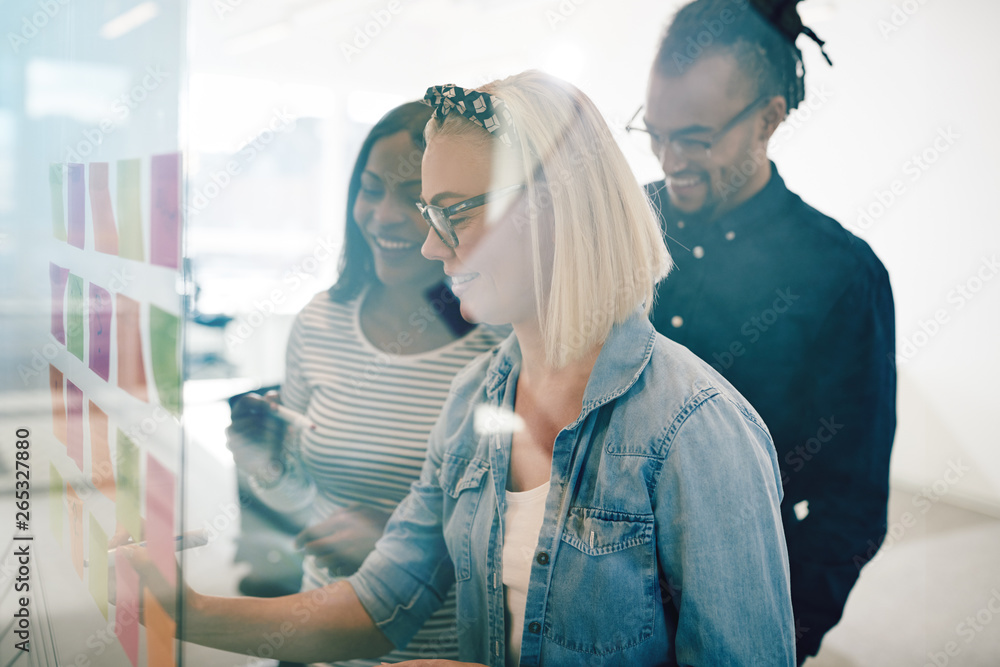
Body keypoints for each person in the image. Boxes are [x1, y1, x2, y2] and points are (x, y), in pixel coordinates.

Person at [127, 70, 795, 666]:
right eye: (429, 212)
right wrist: (186, 609)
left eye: (451, 212)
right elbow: (380, 603)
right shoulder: (474, 398)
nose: (426, 242)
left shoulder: (695, 429)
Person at [629, 1, 896, 662]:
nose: (670, 159)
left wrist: (778, 635)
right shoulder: (619, 224)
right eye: (656, 133)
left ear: (770, 118)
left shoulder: (841, 274)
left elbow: (849, 506)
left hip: (741, 599)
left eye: (696, 136)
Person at [226, 100, 508, 666]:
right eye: (371, 189)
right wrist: (268, 466)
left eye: (415, 200)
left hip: (443, 651)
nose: (384, 215)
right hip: (316, 638)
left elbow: (523, 535)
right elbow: (308, 503)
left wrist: (406, 542)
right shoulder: (319, 322)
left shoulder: (499, 342)